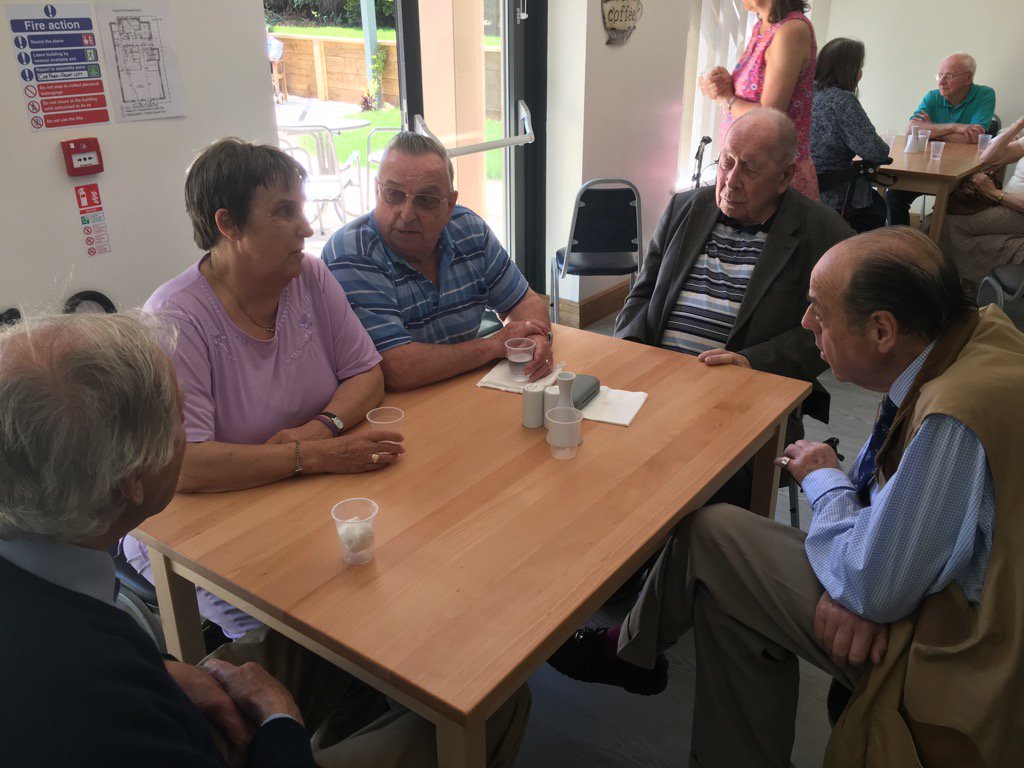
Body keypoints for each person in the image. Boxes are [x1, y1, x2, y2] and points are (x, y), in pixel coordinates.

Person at [550, 227, 1024, 767]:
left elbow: (871, 586)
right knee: (729, 590)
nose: (805, 322)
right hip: (926, 591)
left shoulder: (952, 417)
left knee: (710, 534)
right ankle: (641, 662)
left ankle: (630, 654)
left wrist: (825, 485)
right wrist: (863, 572)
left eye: (819, 309)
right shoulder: (972, 337)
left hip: (952, 650)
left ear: (882, 330)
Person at [0, 311, 530, 768]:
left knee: (333, 627)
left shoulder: (49, 586)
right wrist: (280, 723)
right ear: (132, 478)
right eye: (181, 420)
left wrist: (165, 673)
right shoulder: (80, 698)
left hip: (163, 701)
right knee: (495, 705)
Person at [126, 138, 404, 639]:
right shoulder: (174, 319)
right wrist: (313, 456)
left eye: (301, 208)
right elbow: (187, 465)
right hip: (200, 529)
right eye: (284, 211)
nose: (307, 227)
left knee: (379, 588)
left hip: (296, 501)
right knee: (305, 634)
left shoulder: (309, 276)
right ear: (228, 224)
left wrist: (321, 429)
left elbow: (367, 373)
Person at [615, 108, 852, 504]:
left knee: (690, 493)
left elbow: (832, 331)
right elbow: (643, 294)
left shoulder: (825, 235)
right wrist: (629, 352)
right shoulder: (685, 208)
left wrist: (751, 363)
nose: (731, 179)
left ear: (785, 176)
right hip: (655, 388)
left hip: (745, 404)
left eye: (750, 169)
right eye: (727, 161)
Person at [322, 131, 552, 391]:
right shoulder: (352, 253)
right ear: (377, 191)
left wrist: (534, 337)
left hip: (459, 388)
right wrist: (493, 345)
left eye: (426, 200)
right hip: (392, 407)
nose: (407, 214)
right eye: (394, 194)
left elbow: (524, 301)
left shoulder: (469, 229)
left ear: (449, 205)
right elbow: (396, 368)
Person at [699, 0, 820, 199]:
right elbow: (752, 91)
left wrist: (726, 97)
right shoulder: (762, 27)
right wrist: (726, 84)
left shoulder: (791, 31)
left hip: (771, 176)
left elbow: (768, 115)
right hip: (748, 170)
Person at [886, 52, 996, 225]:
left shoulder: (984, 94)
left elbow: (976, 137)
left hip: (963, 173)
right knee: (894, 195)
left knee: (949, 205)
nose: (941, 82)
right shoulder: (932, 96)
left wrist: (932, 131)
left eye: (949, 76)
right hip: (926, 168)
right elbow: (911, 131)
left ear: (968, 78)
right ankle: (902, 239)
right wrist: (955, 127)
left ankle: (934, 239)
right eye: (940, 75)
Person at [810, 37, 891, 232]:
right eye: (859, 67)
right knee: (879, 208)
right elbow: (876, 151)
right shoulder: (841, 101)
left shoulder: (803, 94)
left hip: (798, 190)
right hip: (834, 196)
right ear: (850, 70)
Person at [939, 113, 1024, 284]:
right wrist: (1019, 125)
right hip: (1007, 204)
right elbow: (989, 157)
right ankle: (959, 283)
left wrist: (994, 193)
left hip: (1017, 210)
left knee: (942, 223)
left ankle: (947, 282)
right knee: (940, 218)